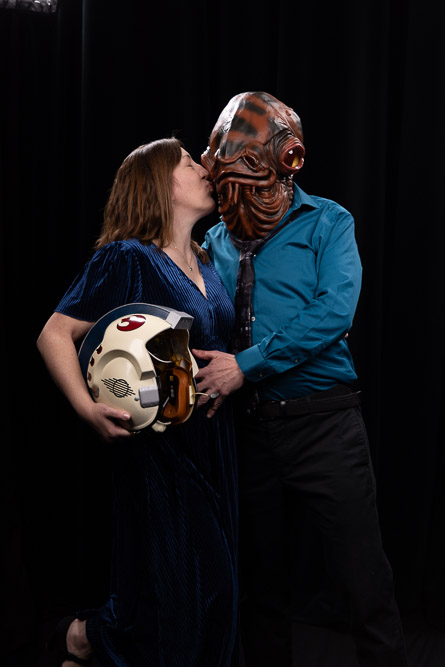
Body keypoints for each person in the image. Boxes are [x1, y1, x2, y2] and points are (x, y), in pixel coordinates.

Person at [193, 91, 408, 667]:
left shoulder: (329, 222)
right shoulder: (214, 241)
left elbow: (334, 311)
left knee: (364, 581)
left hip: (324, 426)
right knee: (261, 588)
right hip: (248, 433)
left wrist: (246, 364)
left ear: (287, 159)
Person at [36, 138, 238, 667]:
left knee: (196, 595)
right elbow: (54, 334)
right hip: (162, 453)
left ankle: (87, 642)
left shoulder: (206, 262)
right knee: (195, 588)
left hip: (215, 444)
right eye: (190, 163)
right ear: (159, 184)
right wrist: (86, 408)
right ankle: (81, 638)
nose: (204, 169)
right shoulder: (129, 258)